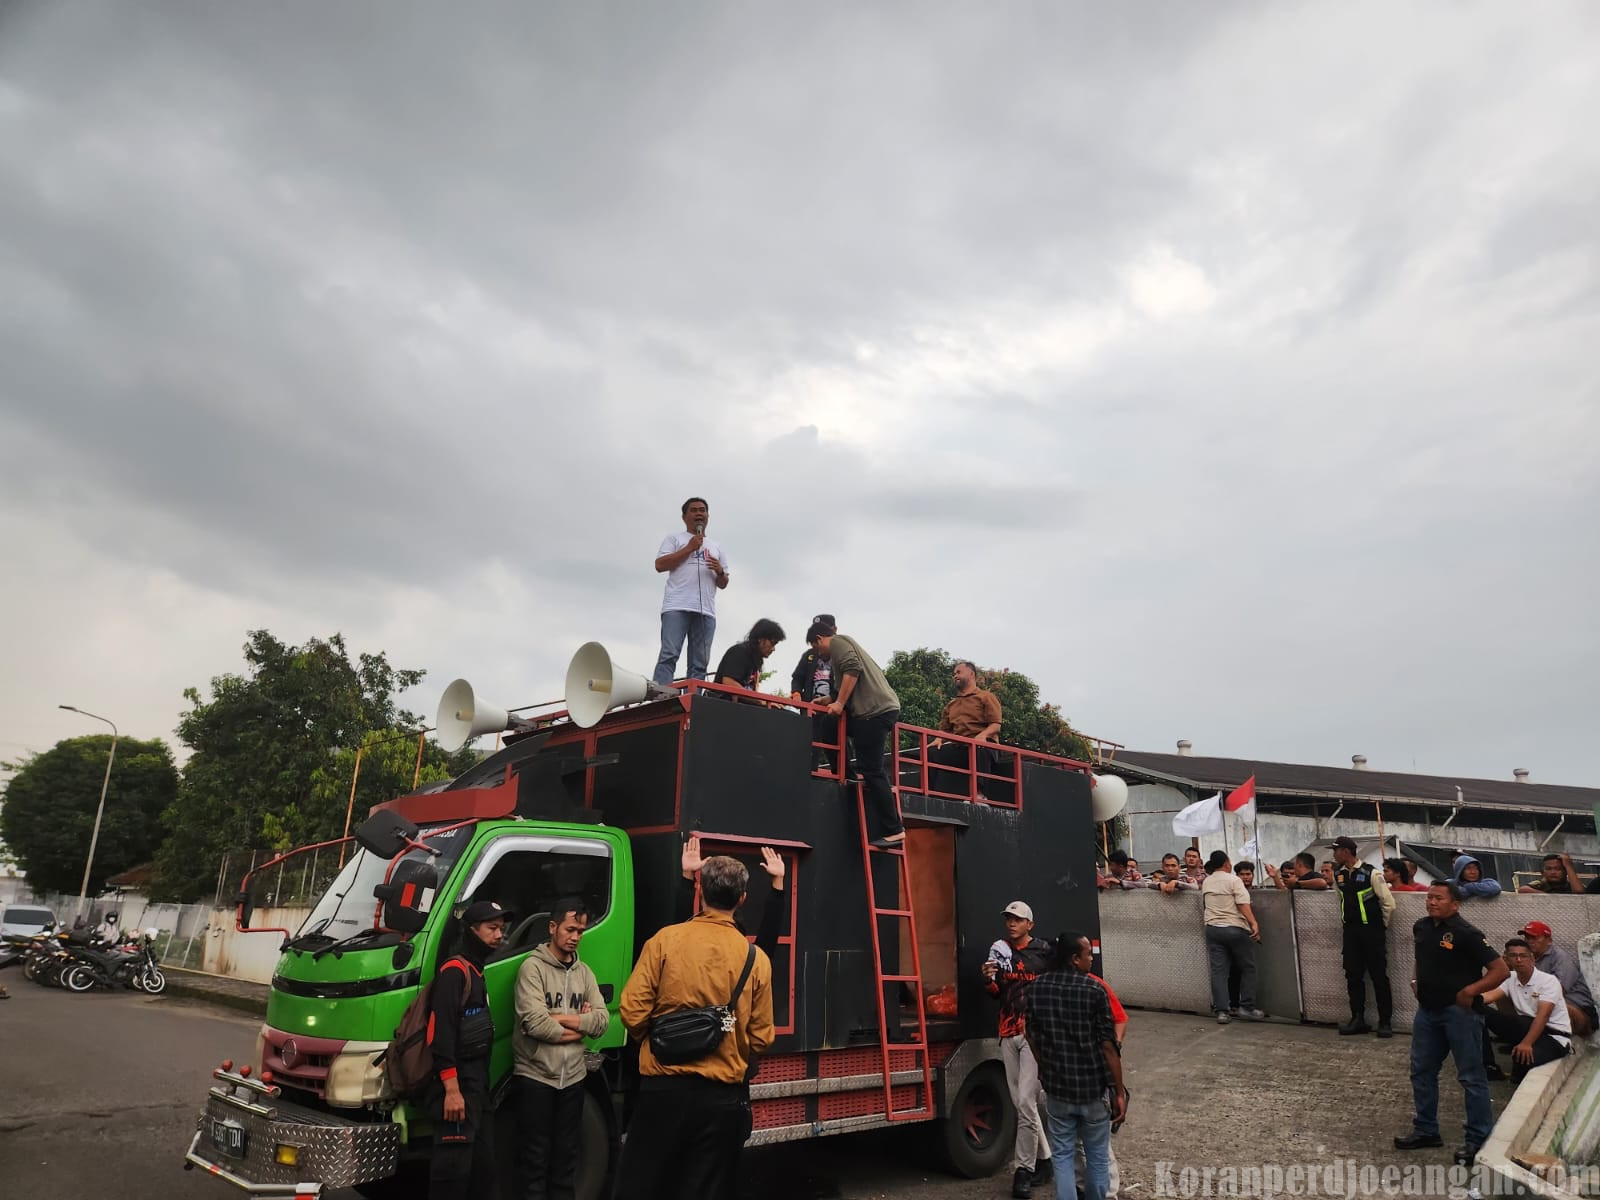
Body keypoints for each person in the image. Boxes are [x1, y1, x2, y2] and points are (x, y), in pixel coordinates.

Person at [614, 855, 774, 1200]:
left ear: (701, 891)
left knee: (644, 1186)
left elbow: (631, 1011)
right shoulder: (756, 959)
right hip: (722, 1099)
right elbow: (762, 1038)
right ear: (742, 898)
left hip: (662, 1089)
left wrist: (658, 1040)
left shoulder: (663, 941)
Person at [1394, 882, 1509, 1167]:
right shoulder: (1421, 927)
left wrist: (1471, 991)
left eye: (1439, 898)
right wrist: (1416, 980)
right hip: (1427, 1012)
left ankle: (1478, 1138)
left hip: (1459, 1014)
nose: (1432, 902)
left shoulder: (1467, 933)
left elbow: (1500, 970)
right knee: (1421, 1071)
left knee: (1471, 1077)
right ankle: (1426, 1130)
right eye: (1429, 897)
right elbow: (1421, 959)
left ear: (1455, 904)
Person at [512, 900, 609, 1200]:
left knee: (566, 1159)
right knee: (534, 1159)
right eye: (570, 929)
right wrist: (580, 1026)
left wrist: (560, 1019)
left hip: (574, 1079)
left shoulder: (584, 973)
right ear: (553, 927)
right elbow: (536, 1024)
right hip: (536, 1076)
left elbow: (602, 1021)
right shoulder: (532, 968)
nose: (576, 937)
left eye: (580, 931)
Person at [1023, 931, 1126, 1200]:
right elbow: (1108, 1046)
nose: (1091, 959)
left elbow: (1031, 1035)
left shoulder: (1035, 988)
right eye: (1087, 954)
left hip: (1058, 1091)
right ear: (1074, 959)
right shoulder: (1094, 990)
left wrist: (1045, 1068)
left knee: (1063, 1156)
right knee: (1097, 1156)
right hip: (1092, 1090)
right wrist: (1118, 1091)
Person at [426, 900, 510, 1200]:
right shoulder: (454, 971)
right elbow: (441, 1034)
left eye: (501, 929)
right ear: (472, 930)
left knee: (483, 1175)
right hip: (457, 1087)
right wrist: (452, 1090)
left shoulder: (477, 971)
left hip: (477, 1090)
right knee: (452, 1175)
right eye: (492, 928)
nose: (499, 935)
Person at [982, 901, 1054, 1199]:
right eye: (1008, 919)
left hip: (1034, 1034)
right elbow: (995, 993)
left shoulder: (1044, 951)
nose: (1011, 923)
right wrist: (988, 979)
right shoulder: (999, 951)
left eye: (1017, 919)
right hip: (1007, 1031)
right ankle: (1046, 1160)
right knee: (1020, 1102)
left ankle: (1023, 1171)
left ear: (1029, 924)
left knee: (1026, 1100)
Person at [812, 625, 904, 847]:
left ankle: (894, 829)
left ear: (819, 638)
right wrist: (830, 700)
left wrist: (839, 703)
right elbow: (846, 684)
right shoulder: (843, 649)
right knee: (830, 725)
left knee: (872, 769)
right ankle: (846, 773)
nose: (818, 654)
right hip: (869, 713)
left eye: (815, 648)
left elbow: (853, 669)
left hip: (874, 712)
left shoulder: (837, 643)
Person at [652, 496, 729, 685]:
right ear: (684, 517)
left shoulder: (716, 546)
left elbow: (723, 583)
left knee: (700, 663)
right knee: (669, 654)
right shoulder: (674, 539)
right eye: (694, 510)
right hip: (677, 606)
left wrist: (720, 571)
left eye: (702, 510)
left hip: (706, 610)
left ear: (708, 516)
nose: (699, 514)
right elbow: (660, 565)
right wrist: (689, 548)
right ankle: (661, 695)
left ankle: (693, 698)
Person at [1331, 835, 1395, 1038]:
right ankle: (1357, 1018)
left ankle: (1385, 1022)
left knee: (1379, 977)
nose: (1334, 854)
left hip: (1372, 932)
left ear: (1346, 851)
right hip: (1350, 932)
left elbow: (1388, 903)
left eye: (1336, 850)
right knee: (1353, 976)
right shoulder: (1338, 874)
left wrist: (1380, 927)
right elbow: (1339, 898)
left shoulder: (1372, 873)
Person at [1481, 938, 1572, 1083]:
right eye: (1513, 956)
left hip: (1554, 1035)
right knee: (1478, 1010)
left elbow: (1543, 1016)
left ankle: (1521, 1060)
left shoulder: (1548, 981)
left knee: (1523, 1060)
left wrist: (1526, 1044)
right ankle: (1488, 1065)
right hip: (1526, 1027)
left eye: (1523, 956)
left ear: (1532, 958)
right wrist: (1466, 998)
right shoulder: (1510, 977)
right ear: (1507, 959)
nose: (1518, 960)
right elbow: (1489, 996)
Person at [1200, 851, 1264, 1025]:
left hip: (1213, 929)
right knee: (1248, 968)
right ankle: (1247, 1007)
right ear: (1226, 863)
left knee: (1219, 972)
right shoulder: (1234, 880)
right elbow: (1242, 904)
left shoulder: (1207, 881)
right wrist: (1254, 923)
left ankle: (1222, 1011)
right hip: (1234, 928)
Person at [926, 660, 1004, 798]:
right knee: (931, 752)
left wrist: (983, 735)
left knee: (979, 747)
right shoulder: (952, 704)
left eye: (959, 672)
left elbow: (996, 724)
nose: (955, 676)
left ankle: (979, 794)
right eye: (954, 673)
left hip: (984, 746)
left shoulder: (986, 697)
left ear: (971, 674)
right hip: (961, 747)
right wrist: (938, 739)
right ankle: (931, 794)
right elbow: (944, 730)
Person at [1518, 920, 1597, 1036]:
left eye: (1534, 937)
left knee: (1553, 1007)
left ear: (1549, 940)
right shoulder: (1528, 960)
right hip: (1545, 1006)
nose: (1529, 941)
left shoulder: (1560, 958)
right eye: (1527, 938)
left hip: (1580, 1010)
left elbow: (1557, 992)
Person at [788, 614, 840, 769]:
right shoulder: (809, 655)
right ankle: (808, 773)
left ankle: (842, 775)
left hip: (832, 709)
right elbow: (797, 677)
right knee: (809, 744)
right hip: (811, 708)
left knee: (837, 743)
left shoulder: (841, 654)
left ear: (834, 630)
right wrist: (796, 694)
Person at [712, 619, 785, 692]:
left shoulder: (755, 659)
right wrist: (754, 698)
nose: (773, 649)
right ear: (760, 638)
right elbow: (728, 682)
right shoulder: (740, 652)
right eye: (772, 643)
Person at [1518, 853, 1582, 894]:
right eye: (1548, 869)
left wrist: (1568, 866)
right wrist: (1548, 897)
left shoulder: (1572, 885)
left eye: (1558, 869)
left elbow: (1579, 891)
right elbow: (1522, 890)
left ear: (1565, 871)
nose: (1553, 872)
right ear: (1543, 872)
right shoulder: (1541, 885)